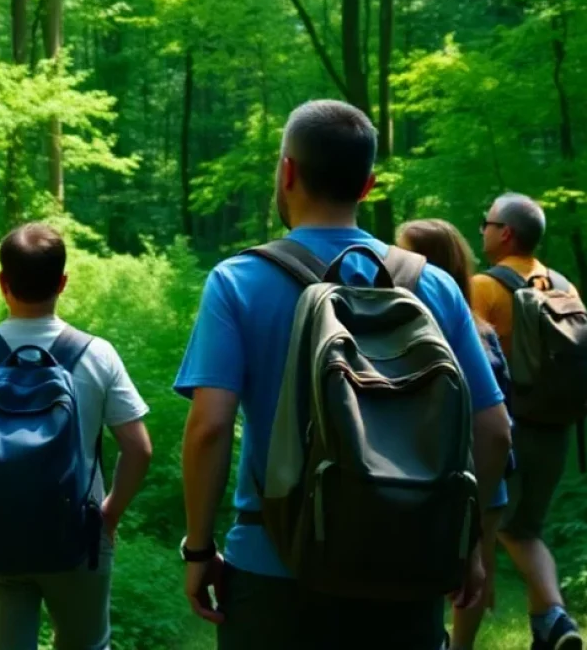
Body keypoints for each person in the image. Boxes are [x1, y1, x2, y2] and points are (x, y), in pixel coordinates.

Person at [176, 100, 512, 650]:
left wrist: (197, 549)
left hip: (274, 567)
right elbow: (494, 430)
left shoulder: (237, 280)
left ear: (287, 173)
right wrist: (467, 544)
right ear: (369, 185)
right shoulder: (434, 287)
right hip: (406, 567)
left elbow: (209, 428)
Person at [0, 223, 153, 650]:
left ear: (2, 282)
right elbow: (139, 448)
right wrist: (108, 516)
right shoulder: (96, 354)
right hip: (78, 534)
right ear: (62, 283)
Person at [472, 194, 582, 650]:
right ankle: (545, 631)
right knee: (526, 528)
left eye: (487, 222)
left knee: (505, 529)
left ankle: (555, 615)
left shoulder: (483, 286)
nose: (482, 230)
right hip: (558, 427)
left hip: (511, 429)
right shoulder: (563, 285)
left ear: (506, 233)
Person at [398, 218, 512, 650]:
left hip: (449, 469)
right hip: (488, 471)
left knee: (455, 569)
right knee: (475, 567)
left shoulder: (421, 327)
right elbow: (503, 413)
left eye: (404, 252)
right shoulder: (481, 331)